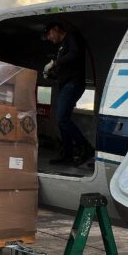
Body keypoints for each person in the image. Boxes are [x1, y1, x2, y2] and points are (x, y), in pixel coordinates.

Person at [43, 22, 94, 166]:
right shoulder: (61, 47)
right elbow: (66, 67)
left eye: (49, 35)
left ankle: (85, 146)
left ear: (56, 29)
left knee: (61, 118)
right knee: (62, 120)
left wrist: (55, 63)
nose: (49, 38)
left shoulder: (71, 36)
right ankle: (68, 155)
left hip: (74, 84)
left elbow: (75, 54)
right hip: (66, 84)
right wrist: (51, 74)